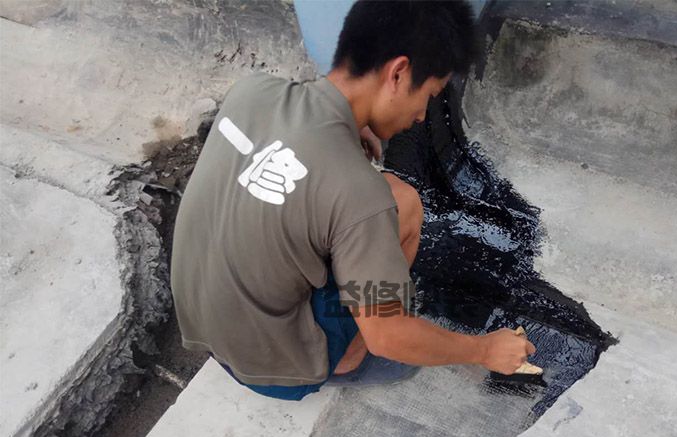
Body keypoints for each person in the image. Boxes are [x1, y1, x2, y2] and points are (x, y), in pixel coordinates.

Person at [171, 0, 535, 401]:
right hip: (272, 369)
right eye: (428, 95)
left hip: (206, 327)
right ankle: (345, 356)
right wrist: (484, 350)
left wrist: (346, 132)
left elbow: (298, 142)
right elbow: (390, 337)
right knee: (405, 204)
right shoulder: (361, 194)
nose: (420, 115)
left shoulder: (252, 91)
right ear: (399, 73)